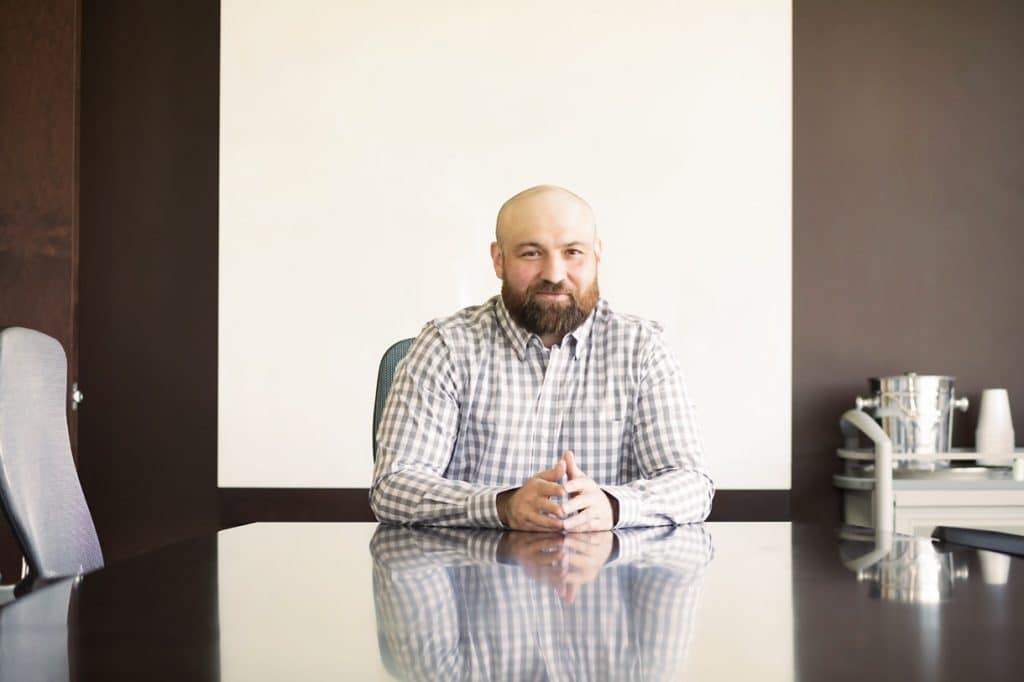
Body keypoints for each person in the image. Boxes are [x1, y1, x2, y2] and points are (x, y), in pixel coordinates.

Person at [370, 185, 714, 531]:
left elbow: (691, 485)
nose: (553, 273)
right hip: (472, 579)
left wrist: (613, 506)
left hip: (606, 578)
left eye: (573, 252)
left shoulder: (642, 349)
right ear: (498, 260)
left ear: (597, 255)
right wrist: (502, 506)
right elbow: (394, 486)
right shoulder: (446, 345)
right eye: (532, 253)